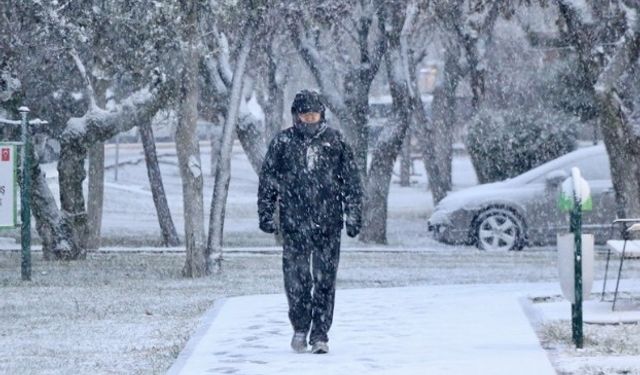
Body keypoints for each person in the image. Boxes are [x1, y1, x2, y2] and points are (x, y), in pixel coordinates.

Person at [258, 89, 363, 354]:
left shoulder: (335, 142)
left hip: (328, 223)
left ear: (322, 115)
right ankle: (300, 327)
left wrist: (353, 214)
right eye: (305, 115)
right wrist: (266, 213)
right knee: (297, 280)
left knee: (325, 280)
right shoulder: (283, 143)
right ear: (296, 116)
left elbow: (351, 182)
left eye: (314, 114)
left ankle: (320, 335)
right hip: (294, 224)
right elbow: (268, 182)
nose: (310, 119)